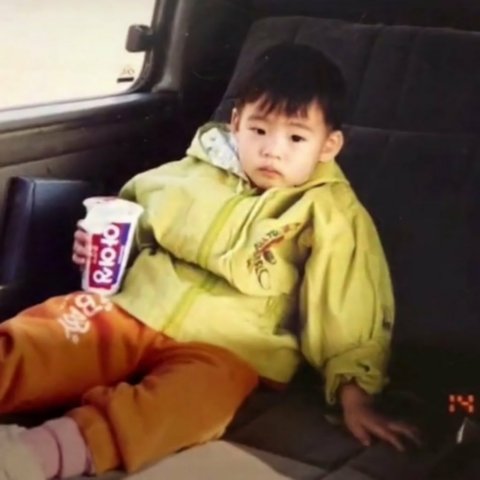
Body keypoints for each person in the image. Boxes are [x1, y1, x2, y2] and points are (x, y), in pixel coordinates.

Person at [0, 43, 420, 479]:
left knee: (194, 405)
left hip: (228, 349)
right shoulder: (188, 174)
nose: (272, 150)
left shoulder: (329, 213)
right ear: (236, 123)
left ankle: (36, 455)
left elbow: (347, 304)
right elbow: (135, 226)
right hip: (135, 307)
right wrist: (97, 247)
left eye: (296, 138)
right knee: (43, 337)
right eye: (259, 130)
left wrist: (356, 393)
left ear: (328, 145)